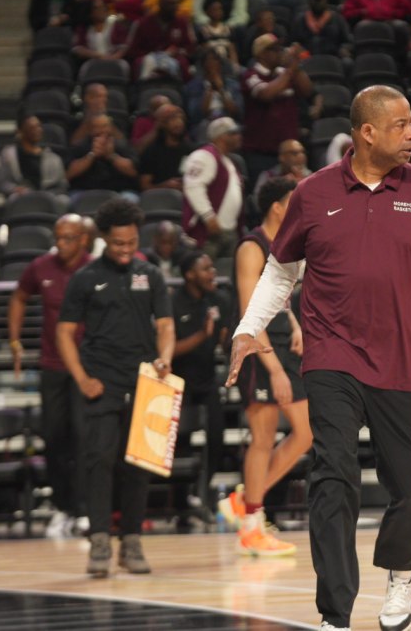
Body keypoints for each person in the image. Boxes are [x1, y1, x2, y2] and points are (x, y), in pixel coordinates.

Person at [224, 85, 411, 631]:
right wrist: (249, 328)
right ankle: (335, 613)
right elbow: (281, 272)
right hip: (332, 353)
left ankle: (400, 575)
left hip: (403, 358)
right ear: (366, 133)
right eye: (401, 125)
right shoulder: (312, 193)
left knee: (408, 484)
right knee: (332, 472)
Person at [56, 198, 174, 578]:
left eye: (131, 242)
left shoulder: (150, 274)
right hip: (100, 382)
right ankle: (100, 541)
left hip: (144, 381)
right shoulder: (85, 278)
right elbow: (63, 333)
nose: (126, 250)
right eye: (118, 243)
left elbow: (166, 326)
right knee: (99, 461)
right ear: (104, 239)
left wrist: (165, 357)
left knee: (139, 464)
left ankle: (132, 541)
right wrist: (81, 377)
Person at [218, 178, 310, 556]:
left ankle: (245, 503)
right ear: (277, 207)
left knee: (307, 432)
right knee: (262, 436)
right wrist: (273, 368)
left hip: (282, 346)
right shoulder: (251, 248)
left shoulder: (287, 246)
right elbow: (249, 312)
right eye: (295, 201)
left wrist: (296, 325)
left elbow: (282, 301)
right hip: (258, 349)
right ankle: (251, 525)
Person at [8, 214, 91, 538]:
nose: (61, 243)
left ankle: (84, 509)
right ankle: (62, 507)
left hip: (86, 368)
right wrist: (15, 341)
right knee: (55, 439)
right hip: (52, 366)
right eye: (58, 237)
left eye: (69, 237)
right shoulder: (40, 267)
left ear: (83, 239)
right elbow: (18, 296)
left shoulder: (95, 268)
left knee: (85, 438)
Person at [170, 250, 230, 523]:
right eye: (205, 268)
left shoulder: (219, 300)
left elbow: (223, 340)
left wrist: (222, 339)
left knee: (216, 439)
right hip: (179, 383)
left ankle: (204, 494)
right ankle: (181, 505)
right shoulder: (173, 303)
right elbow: (169, 350)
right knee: (178, 444)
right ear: (189, 274)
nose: (212, 273)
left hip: (207, 382)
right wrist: (201, 336)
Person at [240, 34, 314, 183]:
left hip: (289, 152)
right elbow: (266, 94)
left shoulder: (285, 72)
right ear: (261, 54)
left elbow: (307, 91)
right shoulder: (251, 75)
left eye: (280, 49)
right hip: (261, 153)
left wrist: (296, 66)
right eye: (274, 49)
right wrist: (291, 69)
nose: (280, 52)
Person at [182, 117, 244, 259]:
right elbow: (193, 186)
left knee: (228, 277)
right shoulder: (204, 155)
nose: (239, 136)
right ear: (221, 136)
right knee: (202, 275)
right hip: (209, 233)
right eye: (234, 133)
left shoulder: (228, 161)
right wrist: (208, 215)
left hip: (229, 232)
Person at [65, 115, 139, 198]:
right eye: (97, 127)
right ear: (90, 130)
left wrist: (111, 156)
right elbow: (69, 174)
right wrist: (92, 155)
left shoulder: (123, 145)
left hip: (120, 191)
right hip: (83, 191)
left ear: (111, 128)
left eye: (104, 126)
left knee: (131, 199)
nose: (101, 130)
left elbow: (133, 172)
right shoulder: (79, 146)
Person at [0, 115, 68, 199]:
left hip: (49, 196)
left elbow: (62, 184)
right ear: (21, 131)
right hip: (22, 196)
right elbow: (3, 183)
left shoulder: (52, 157)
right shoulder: (9, 154)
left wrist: (51, 193)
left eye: (39, 126)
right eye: (32, 127)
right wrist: (15, 189)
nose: (38, 130)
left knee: (63, 200)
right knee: (14, 198)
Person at [138, 106, 193, 191]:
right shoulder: (151, 151)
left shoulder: (189, 150)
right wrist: (165, 186)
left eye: (181, 119)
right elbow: (144, 186)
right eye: (173, 119)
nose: (178, 123)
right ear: (163, 124)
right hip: (159, 199)